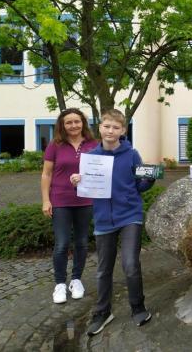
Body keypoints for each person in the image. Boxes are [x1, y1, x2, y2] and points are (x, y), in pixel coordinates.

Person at [70, 109, 156, 336]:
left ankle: (138, 307)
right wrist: (76, 181)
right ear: (100, 127)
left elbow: (140, 186)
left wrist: (151, 179)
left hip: (130, 216)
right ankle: (102, 312)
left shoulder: (132, 154)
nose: (110, 131)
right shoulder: (91, 158)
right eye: (107, 126)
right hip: (103, 219)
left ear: (123, 131)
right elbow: (85, 188)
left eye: (116, 127)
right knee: (102, 270)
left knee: (130, 264)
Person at [41, 108, 98, 304]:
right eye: (68, 122)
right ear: (62, 125)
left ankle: (76, 280)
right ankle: (59, 284)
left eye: (77, 121)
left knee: (82, 242)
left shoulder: (93, 144)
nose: (73, 125)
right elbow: (46, 174)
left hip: (86, 201)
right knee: (62, 243)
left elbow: (100, 172)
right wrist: (46, 200)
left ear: (83, 122)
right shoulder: (55, 145)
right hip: (61, 201)